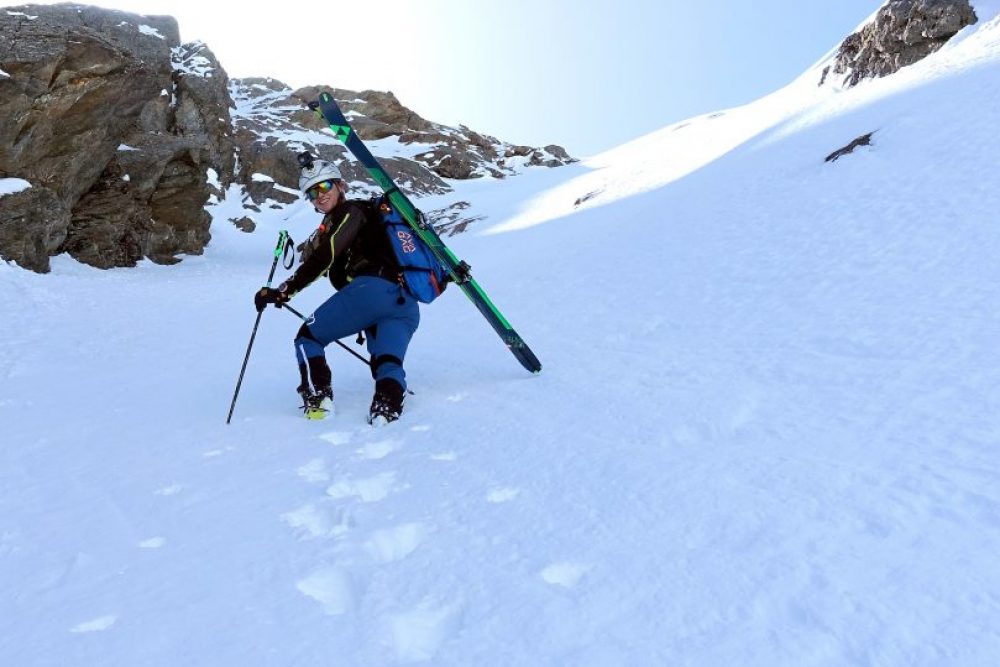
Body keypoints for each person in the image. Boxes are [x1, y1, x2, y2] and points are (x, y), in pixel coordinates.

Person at [254, 153, 419, 425]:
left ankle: (318, 399)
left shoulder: (350, 212)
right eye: (311, 193)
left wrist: (284, 291)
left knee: (307, 338)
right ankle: (386, 408)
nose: (318, 196)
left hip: (370, 293)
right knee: (385, 360)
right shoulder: (372, 219)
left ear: (341, 185)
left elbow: (325, 256)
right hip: (404, 305)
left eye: (323, 186)